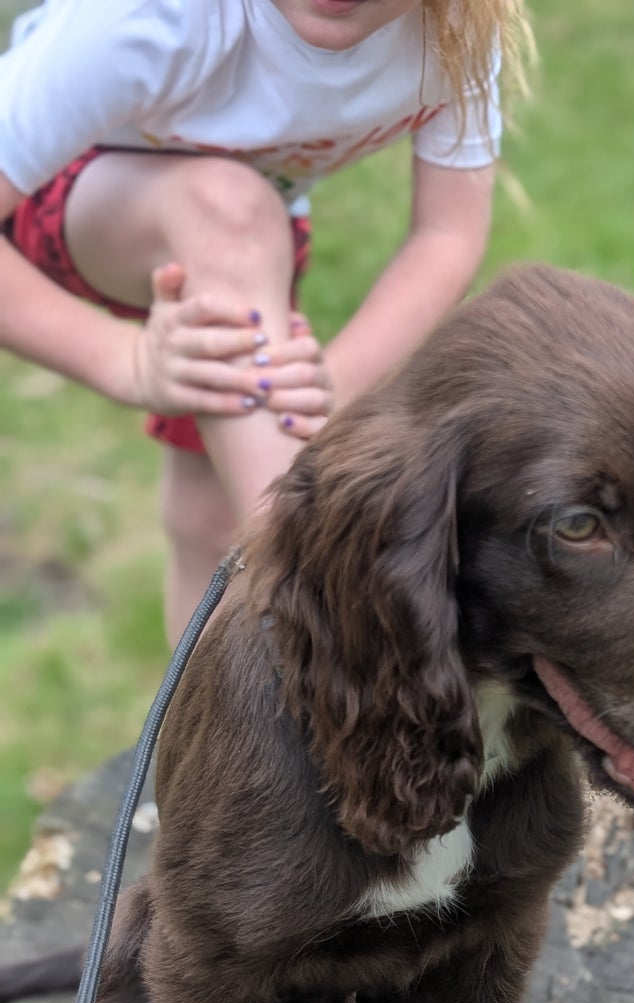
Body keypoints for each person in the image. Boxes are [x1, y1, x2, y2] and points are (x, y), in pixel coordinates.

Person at [0, 0, 530, 644]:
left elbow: (446, 236)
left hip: (246, 244)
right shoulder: (155, 19)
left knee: (214, 523)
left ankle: (191, 733)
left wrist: (329, 381)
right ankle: (320, 604)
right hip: (59, 190)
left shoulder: (455, 32)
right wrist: (125, 360)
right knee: (228, 207)